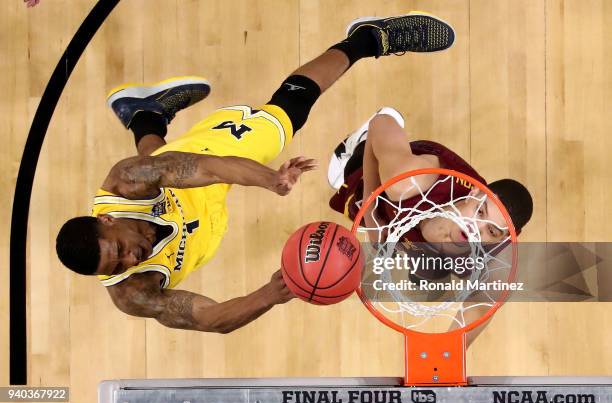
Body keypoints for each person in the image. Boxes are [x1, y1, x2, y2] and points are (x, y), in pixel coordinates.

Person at [56, 12, 456, 333]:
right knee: (160, 168)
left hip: (198, 171)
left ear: (106, 219)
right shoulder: (132, 292)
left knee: (280, 120)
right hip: (198, 220)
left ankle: (367, 39)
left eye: (119, 249)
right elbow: (206, 319)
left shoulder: (127, 183)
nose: (130, 258)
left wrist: (270, 179)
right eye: (118, 266)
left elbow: (207, 168)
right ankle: (144, 113)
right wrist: (268, 294)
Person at [328, 108, 534, 344]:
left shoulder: (496, 264)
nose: (475, 228)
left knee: (428, 272)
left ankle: (423, 266)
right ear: (475, 192)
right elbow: (380, 122)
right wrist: (372, 215)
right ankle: (358, 144)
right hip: (397, 179)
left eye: (491, 231)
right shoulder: (409, 183)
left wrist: (446, 355)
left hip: (421, 237)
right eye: (480, 212)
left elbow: (478, 310)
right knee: (360, 180)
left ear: (504, 238)